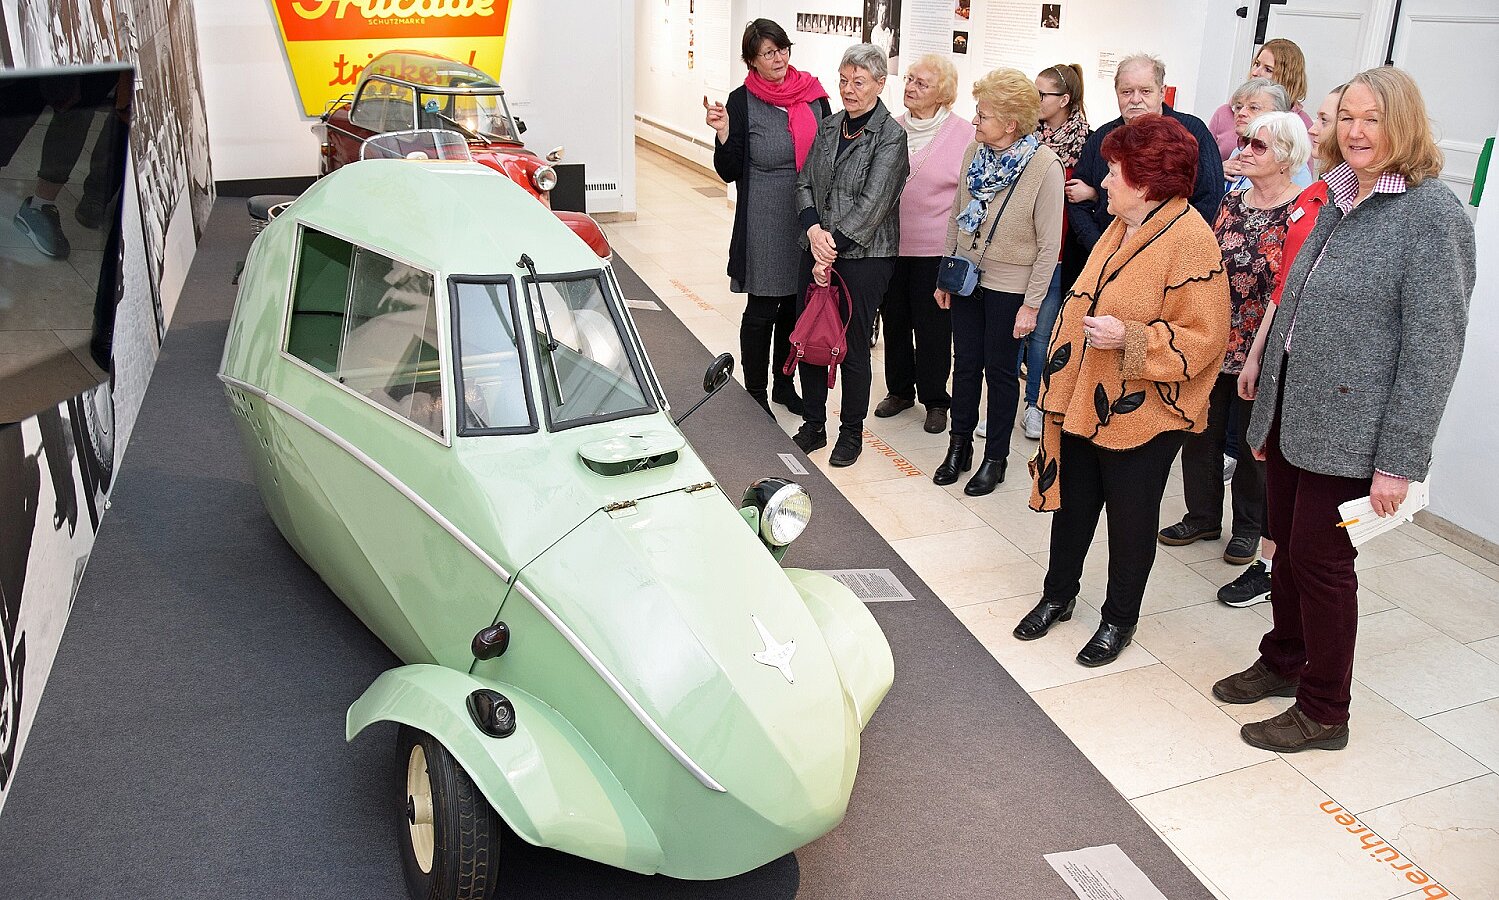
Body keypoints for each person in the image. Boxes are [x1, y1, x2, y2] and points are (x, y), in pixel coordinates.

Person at [1215, 68, 1475, 752]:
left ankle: (1325, 710)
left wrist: (1399, 460)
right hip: (1296, 413)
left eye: (1372, 119)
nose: (1356, 132)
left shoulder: (1430, 217)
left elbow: (1433, 349)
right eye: (1346, 118)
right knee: (1290, 553)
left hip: (1355, 430)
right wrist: (1264, 383)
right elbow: (1296, 305)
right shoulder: (1335, 195)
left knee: (1322, 566)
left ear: (1404, 126)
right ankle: (1282, 658)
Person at [1016, 113, 1229, 667]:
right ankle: (1057, 596)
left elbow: (1204, 338)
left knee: (1131, 522)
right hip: (1085, 398)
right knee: (1075, 506)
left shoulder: (1191, 241)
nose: (1103, 181)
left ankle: (1118, 620)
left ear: (1147, 179)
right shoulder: (1121, 224)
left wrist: (1131, 338)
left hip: (1144, 413)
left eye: (1113, 171)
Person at [1159, 111, 1309, 572]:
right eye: (1244, 141)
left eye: (1258, 145)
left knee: (1251, 442)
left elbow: (1287, 291)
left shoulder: (1302, 211)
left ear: (1286, 156)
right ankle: (1202, 515)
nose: (1244, 150)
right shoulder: (1233, 200)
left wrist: (1258, 354)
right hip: (1212, 337)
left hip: (1259, 343)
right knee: (1199, 429)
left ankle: (1248, 527)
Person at [1217, 84, 1342, 609]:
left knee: (1270, 460)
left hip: (1299, 359)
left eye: (1327, 119)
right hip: (1264, 345)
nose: (1314, 125)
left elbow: (1285, 287)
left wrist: (1257, 353)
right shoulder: (1326, 197)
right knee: (1266, 459)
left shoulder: (1316, 202)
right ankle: (1273, 566)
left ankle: (1270, 565)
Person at [932, 67, 1062, 496]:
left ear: (1010, 123)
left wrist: (1032, 305)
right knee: (964, 364)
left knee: (1001, 372)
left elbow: (1049, 246)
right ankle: (959, 446)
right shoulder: (974, 152)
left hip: (1012, 288)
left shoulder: (1045, 166)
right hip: (967, 278)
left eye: (983, 115)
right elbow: (955, 215)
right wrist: (945, 276)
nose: (974, 122)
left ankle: (996, 459)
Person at [708, 19, 830, 418]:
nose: (778, 59)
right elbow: (728, 169)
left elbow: (828, 157)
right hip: (764, 217)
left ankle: (783, 384)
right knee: (763, 309)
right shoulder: (740, 102)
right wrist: (725, 132)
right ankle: (755, 389)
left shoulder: (814, 96)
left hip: (806, 216)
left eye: (782, 50)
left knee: (796, 307)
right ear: (751, 60)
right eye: (767, 53)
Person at [793, 43, 909, 466]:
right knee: (810, 337)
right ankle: (813, 424)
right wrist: (813, 230)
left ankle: (851, 433)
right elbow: (804, 183)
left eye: (859, 82)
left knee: (852, 346)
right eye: (843, 80)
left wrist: (829, 248)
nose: (849, 89)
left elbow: (873, 205)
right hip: (819, 245)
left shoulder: (892, 137)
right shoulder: (829, 127)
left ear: (880, 84)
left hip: (865, 259)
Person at [873, 54, 972, 435]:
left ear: (943, 94)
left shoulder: (963, 133)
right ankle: (899, 391)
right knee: (895, 320)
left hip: (936, 250)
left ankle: (935, 399)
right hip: (891, 247)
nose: (911, 87)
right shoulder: (891, 129)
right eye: (910, 79)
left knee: (932, 328)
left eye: (922, 83)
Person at [1065, 54, 1224, 255]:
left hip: (1169, 257)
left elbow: (1210, 199)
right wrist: (1102, 247)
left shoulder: (1192, 132)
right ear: (1116, 93)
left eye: (1145, 91)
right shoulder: (1100, 139)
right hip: (1106, 257)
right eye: (1127, 91)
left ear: (1162, 92)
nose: (1135, 100)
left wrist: (1165, 249)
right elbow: (1077, 202)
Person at [1020, 62, 1090, 441]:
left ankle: (1035, 404)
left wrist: (1092, 192)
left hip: (1058, 252)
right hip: (1018, 251)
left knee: (1042, 334)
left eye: (1042, 94)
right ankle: (1001, 403)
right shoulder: (1025, 137)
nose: (1035, 100)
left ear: (1064, 100)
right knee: (1011, 333)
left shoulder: (1085, 143)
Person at [1208, 38, 1313, 160]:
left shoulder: (1301, 124)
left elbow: (1301, 173)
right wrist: (1222, 169)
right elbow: (1205, 166)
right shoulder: (1224, 113)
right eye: (1256, 64)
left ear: (1288, 78)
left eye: (1268, 69)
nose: (1256, 72)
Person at [1221, 80, 1312, 191]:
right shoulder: (1237, 152)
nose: (1241, 113)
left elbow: (1302, 203)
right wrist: (1218, 173)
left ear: (1277, 114)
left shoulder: (1292, 164)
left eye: (1254, 108)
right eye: (1239, 107)